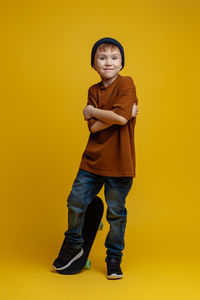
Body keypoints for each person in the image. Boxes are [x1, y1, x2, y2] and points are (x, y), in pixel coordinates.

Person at [53, 37, 139, 279]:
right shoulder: (93, 90)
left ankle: (114, 258)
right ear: (94, 64)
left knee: (116, 214)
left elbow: (120, 120)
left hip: (120, 163)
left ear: (122, 62)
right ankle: (74, 245)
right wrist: (117, 114)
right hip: (92, 161)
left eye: (114, 58)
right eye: (102, 58)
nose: (108, 62)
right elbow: (94, 128)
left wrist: (93, 112)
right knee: (75, 202)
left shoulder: (126, 83)